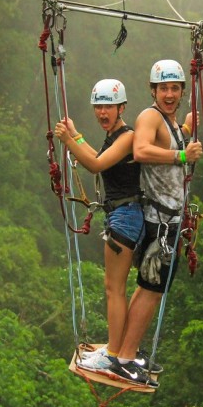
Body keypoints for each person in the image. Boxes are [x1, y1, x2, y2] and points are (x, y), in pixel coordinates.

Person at [103, 59, 203, 387]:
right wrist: (183, 156)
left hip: (169, 220)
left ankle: (126, 351)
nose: (170, 94)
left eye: (175, 88)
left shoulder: (171, 123)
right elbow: (143, 149)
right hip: (158, 221)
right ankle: (125, 357)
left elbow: (169, 141)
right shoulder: (150, 116)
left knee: (151, 290)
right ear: (153, 90)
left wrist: (187, 129)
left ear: (182, 91)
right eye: (164, 88)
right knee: (151, 289)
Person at [54, 79, 145, 376]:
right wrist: (77, 135)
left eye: (108, 106)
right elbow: (98, 158)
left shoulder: (128, 136)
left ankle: (114, 355)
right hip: (123, 216)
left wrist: (69, 140)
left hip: (125, 217)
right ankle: (115, 350)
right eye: (99, 107)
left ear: (121, 108)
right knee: (114, 288)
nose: (102, 112)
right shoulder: (116, 136)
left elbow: (96, 164)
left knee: (114, 289)